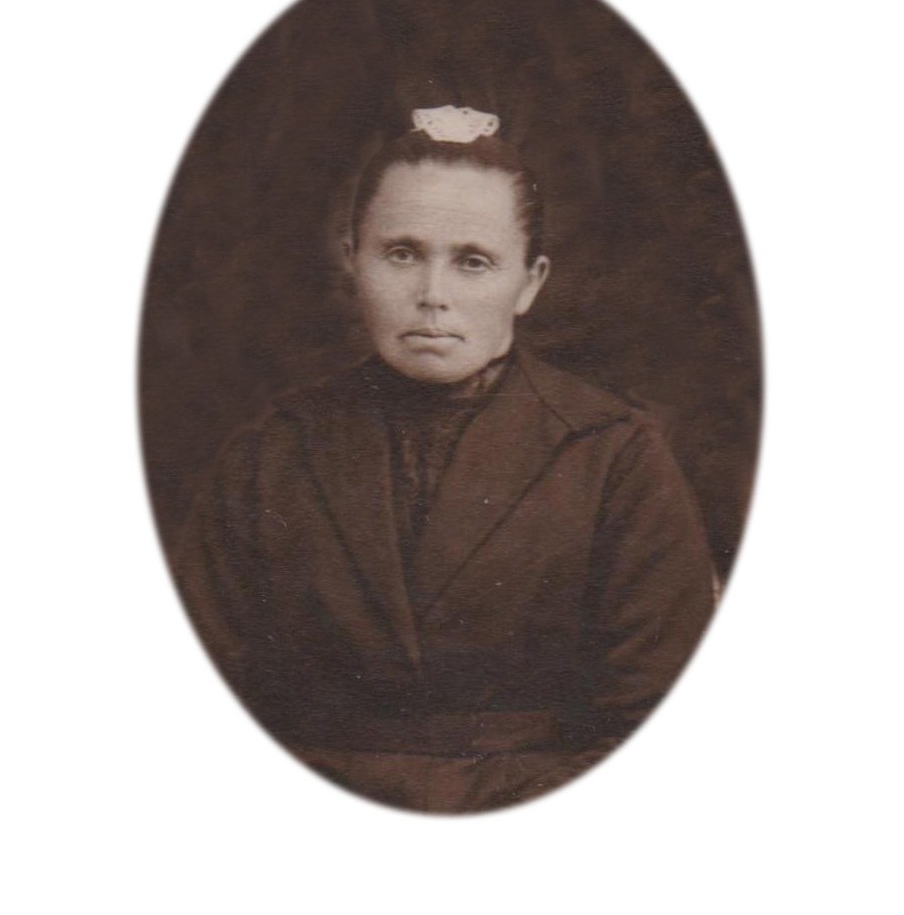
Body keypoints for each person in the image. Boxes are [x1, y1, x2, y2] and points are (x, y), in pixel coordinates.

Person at [174, 105, 715, 814]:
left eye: (473, 262)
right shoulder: (269, 455)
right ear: (352, 259)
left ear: (529, 282)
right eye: (402, 254)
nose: (433, 296)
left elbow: (662, 730)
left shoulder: (615, 456)